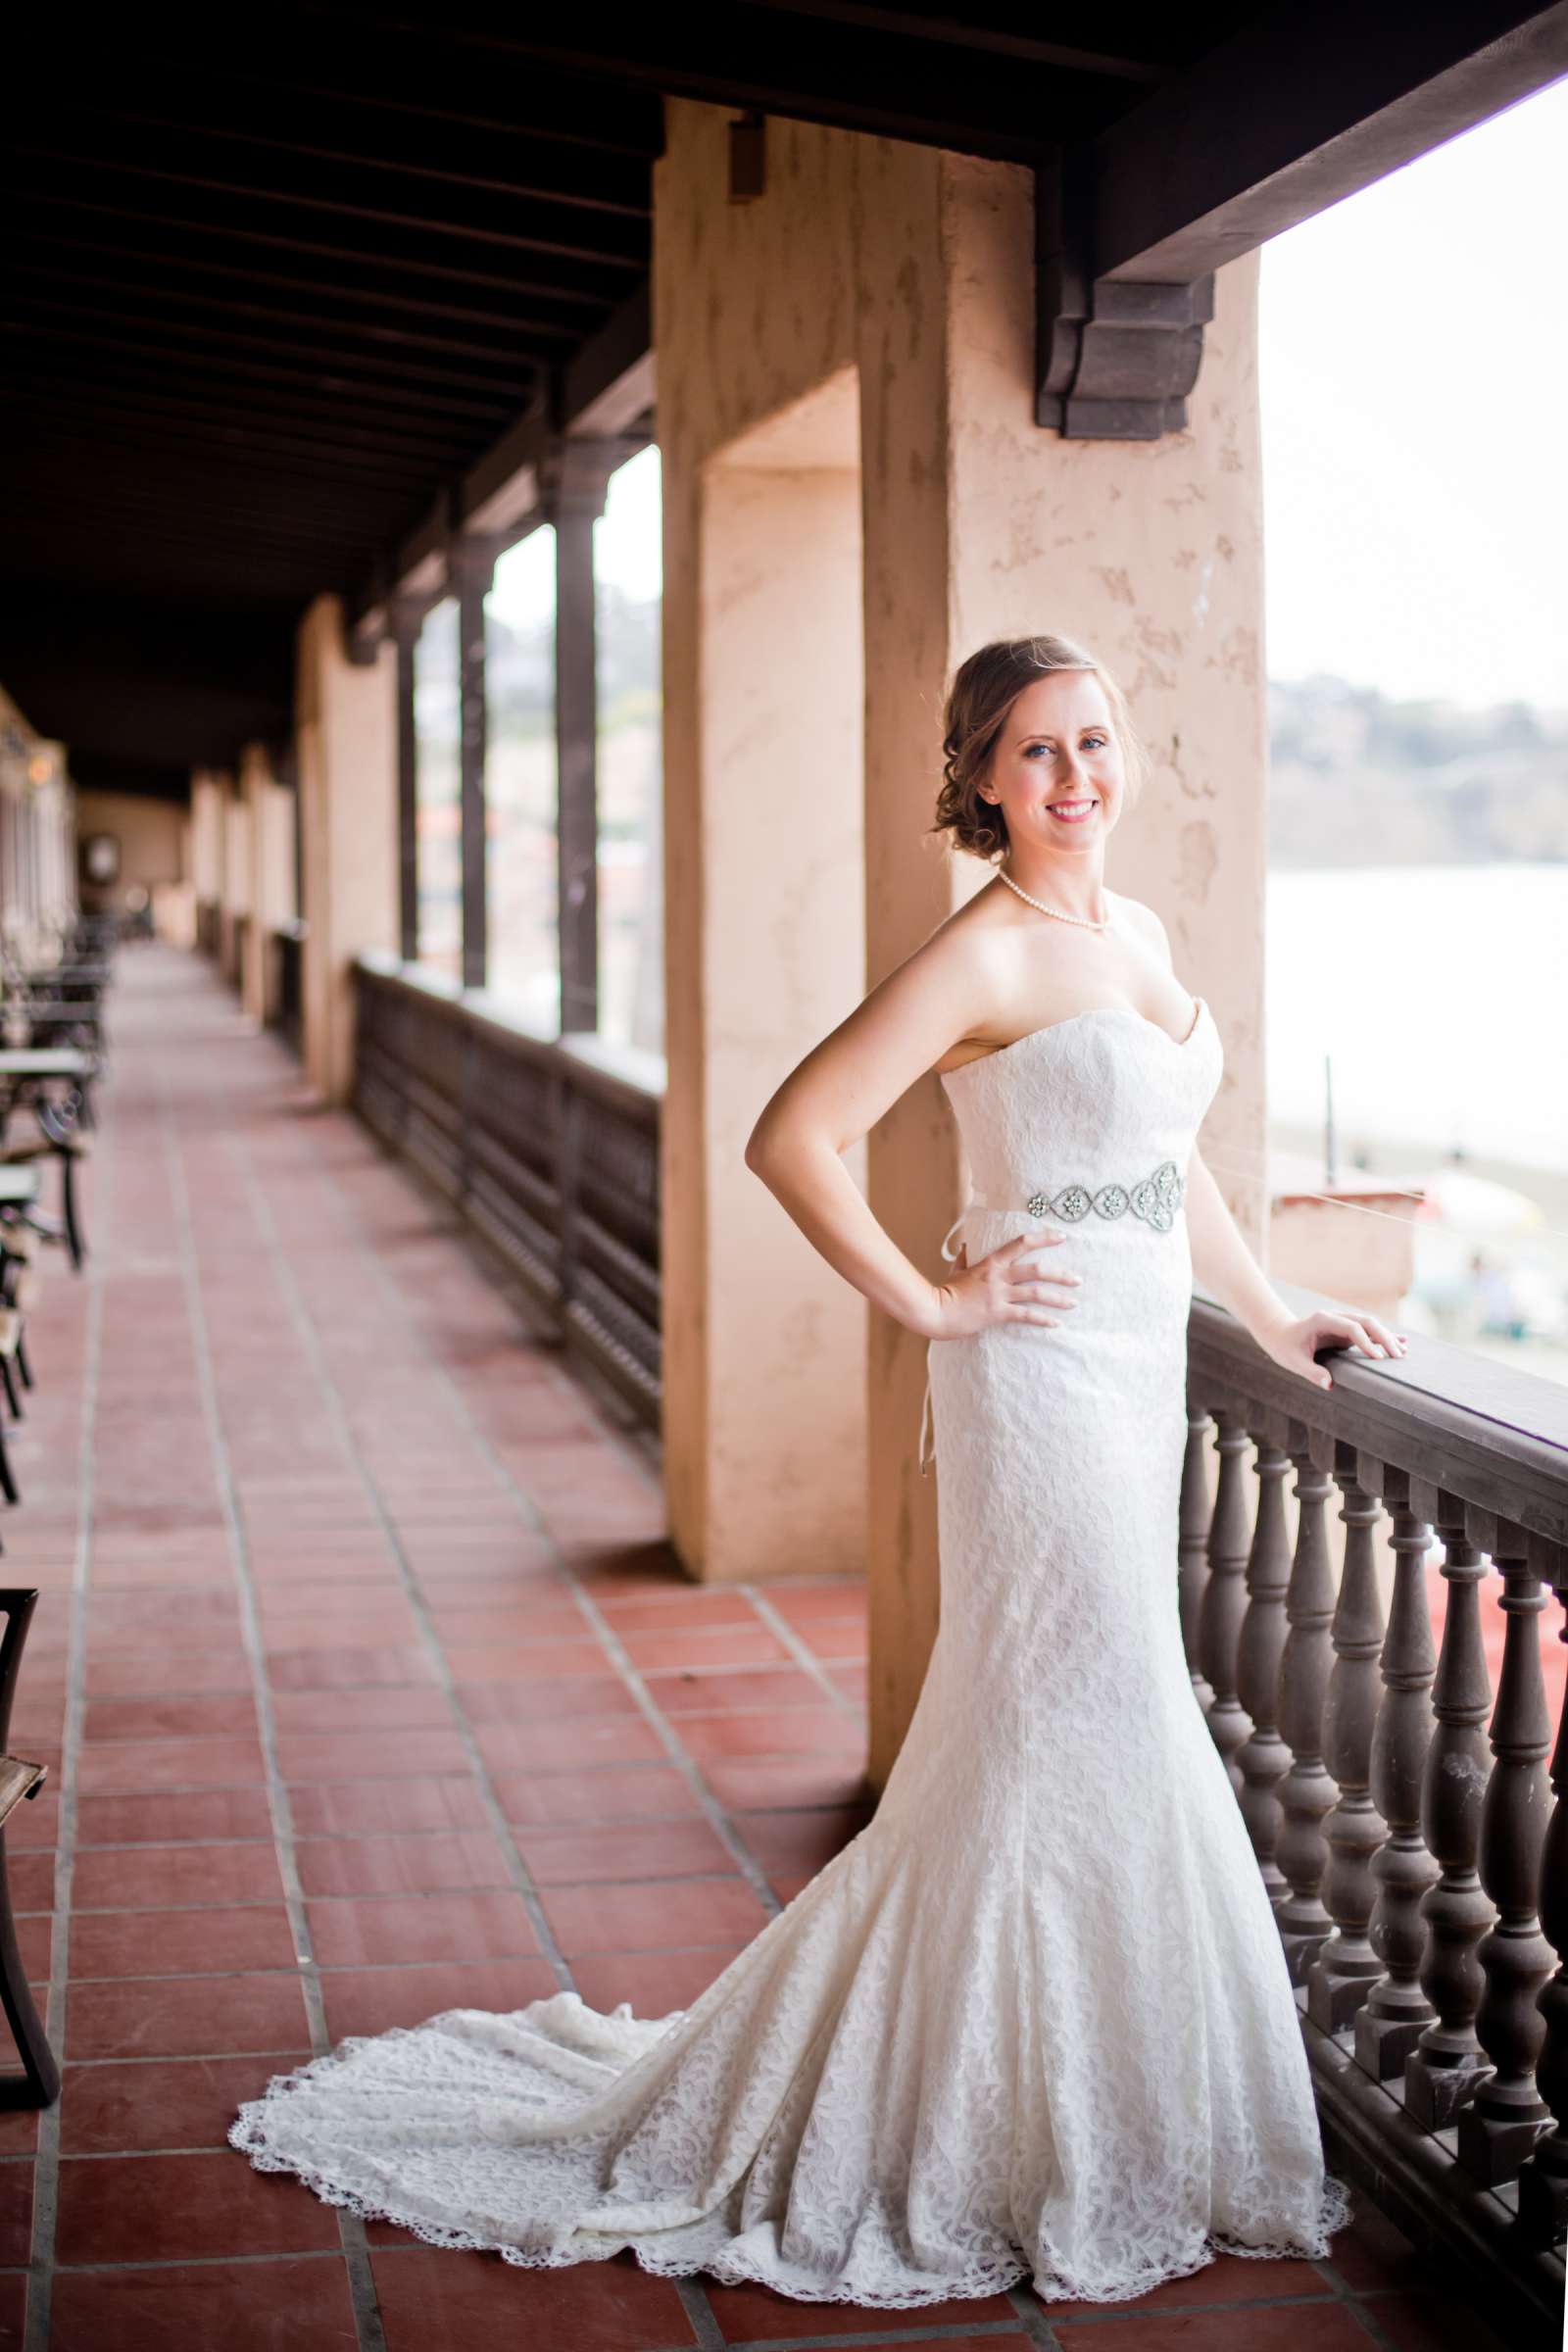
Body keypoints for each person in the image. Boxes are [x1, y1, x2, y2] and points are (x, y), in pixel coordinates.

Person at [229, 632, 1398, 2308]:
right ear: (984, 778)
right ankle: (1005, 2125)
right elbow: (793, 1132)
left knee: (1093, 1716)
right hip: (1044, 1379)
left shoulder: (1131, 933)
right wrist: (939, 1300)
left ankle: (1098, 2114)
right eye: (1036, 752)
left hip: (1143, 1371)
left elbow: (1171, 1160)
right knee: (1078, 1716)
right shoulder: (987, 950)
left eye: (1094, 742)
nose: (1075, 776)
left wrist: (1278, 1314)